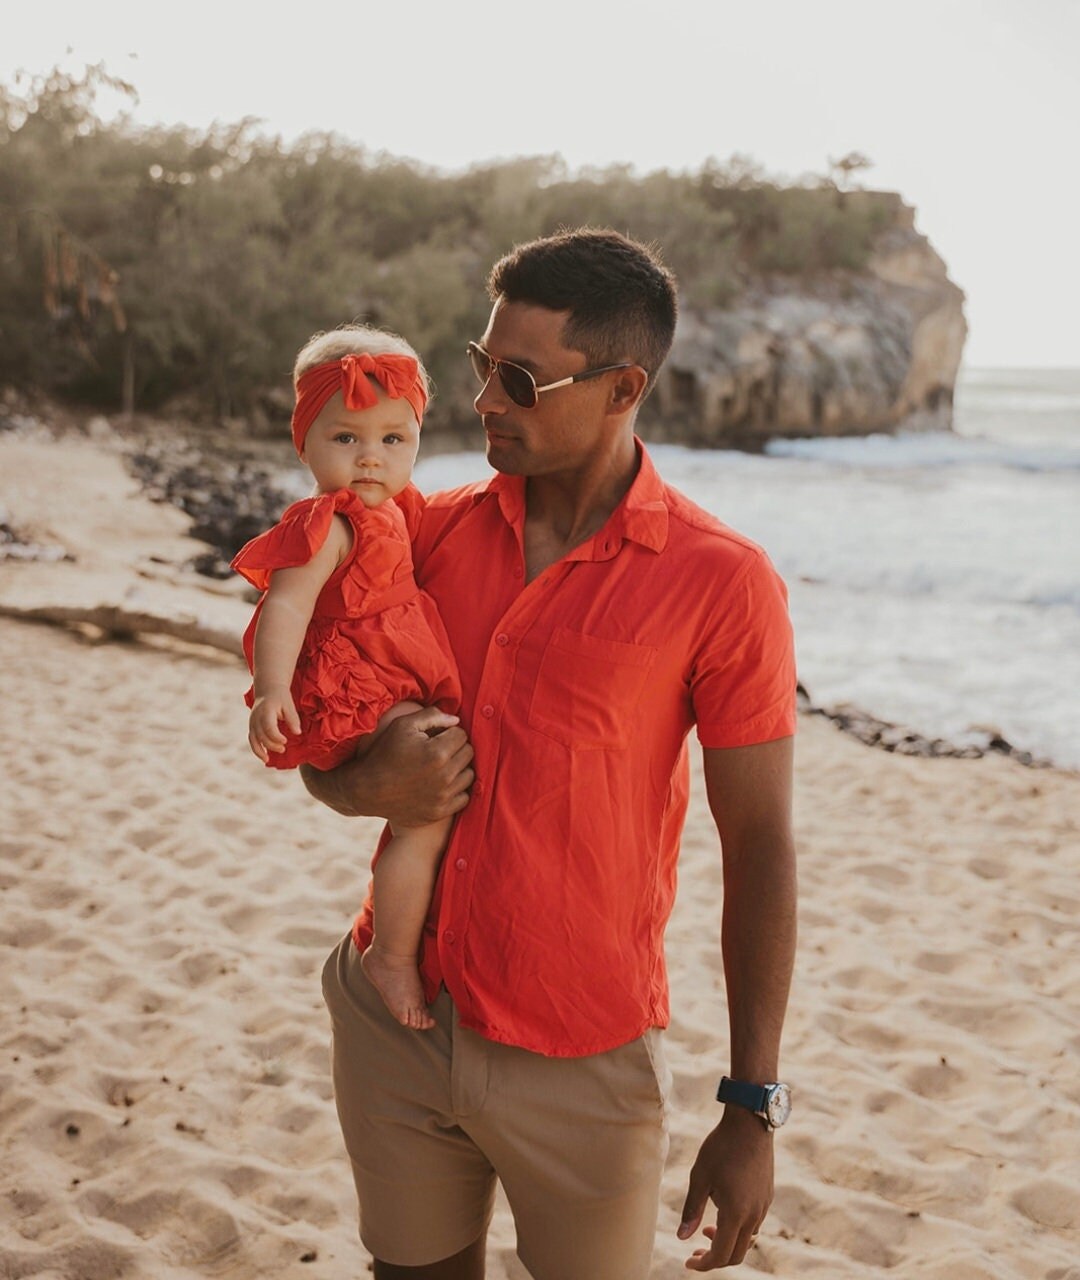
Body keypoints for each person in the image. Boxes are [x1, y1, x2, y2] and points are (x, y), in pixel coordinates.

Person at [306, 229, 798, 1278]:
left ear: (623, 388)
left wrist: (752, 1104)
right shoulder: (422, 536)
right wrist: (354, 785)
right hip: (396, 1019)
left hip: (586, 1061)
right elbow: (312, 724)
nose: (485, 399)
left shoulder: (725, 582)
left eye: (521, 380)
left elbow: (759, 843)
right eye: (484, 365)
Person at [232, 325, 461, 1030]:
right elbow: (286, 605)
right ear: (304, 444)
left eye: (394, 438)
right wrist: (273, 689)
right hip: (353, 692)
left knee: (426, 805)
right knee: (424, 816)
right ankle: (391, 955)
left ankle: (396, 940)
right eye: (345, 438)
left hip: (387, 678)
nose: (370, 456)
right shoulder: (328, 523)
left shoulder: (394, 509)